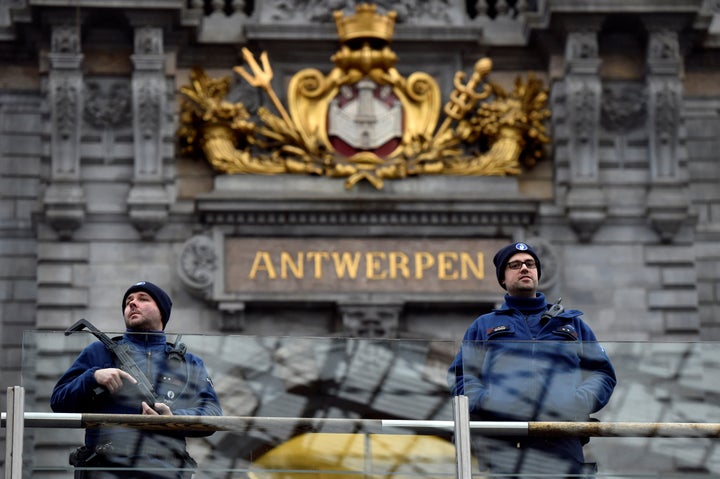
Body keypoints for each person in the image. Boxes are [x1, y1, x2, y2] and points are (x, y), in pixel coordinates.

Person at [447, 242, 616, 478]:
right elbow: (462, 376)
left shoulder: (572, 324)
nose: (524, 268)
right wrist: (488, 401)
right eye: (515, 265)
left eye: (530, 264)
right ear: (503, 279)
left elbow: (602, 373)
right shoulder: (483, 325)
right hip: (505, 443)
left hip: (562, 441)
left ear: (537, 272)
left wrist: (577, 401)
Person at [51, 281, 223, 479]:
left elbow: (212, 415)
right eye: (128, 301)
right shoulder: (99, 352)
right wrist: (92, 377)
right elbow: (58, 401)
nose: (132, 304)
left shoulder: (188, 362)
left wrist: (173, 418)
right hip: (106, 470)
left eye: (143, 299)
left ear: (162, 312)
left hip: (166, 471)